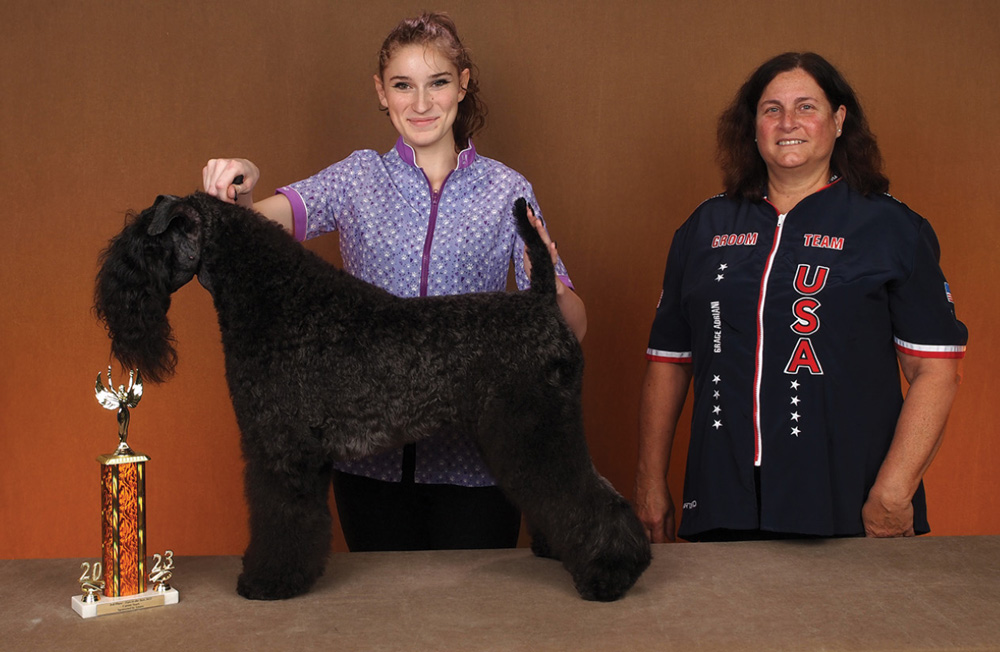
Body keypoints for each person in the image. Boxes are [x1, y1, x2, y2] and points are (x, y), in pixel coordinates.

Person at [202, 13, 587, 551]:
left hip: (477, 469)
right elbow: (253, 225)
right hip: (370, 466)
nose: (422, 103)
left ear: (464, 83)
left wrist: (557, 290)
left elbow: (571, 328)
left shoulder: (508, 190)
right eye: (404, 85)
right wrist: (240, 179)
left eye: (438, 83)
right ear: (382, 93)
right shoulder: (356, 177)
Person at [634, 52, 967, 542]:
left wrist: (895, 492)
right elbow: (669, 361)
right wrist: (649, 480)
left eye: (806, 106)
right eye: (771, 109)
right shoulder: (704, 227)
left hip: (850, 506)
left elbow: (935, 370)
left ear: (838, 119)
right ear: (752, 126)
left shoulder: (892, 228)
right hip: (723, 501)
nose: (787, 122)